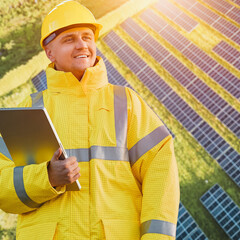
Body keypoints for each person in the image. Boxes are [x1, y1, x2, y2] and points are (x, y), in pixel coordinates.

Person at [0, 1, 180, 239]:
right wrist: (47, 178)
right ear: (49, 52)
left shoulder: (125, 103)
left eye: (87, 37)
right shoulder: (28, 111)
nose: (82, 45)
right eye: (69, 39)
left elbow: (161, 171)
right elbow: (3, 187)